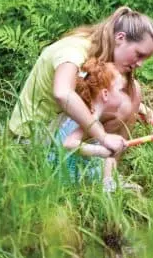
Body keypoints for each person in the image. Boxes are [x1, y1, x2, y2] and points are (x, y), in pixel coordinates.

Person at [9, 6, 153, 154]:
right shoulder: (73, 50)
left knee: (132, 91)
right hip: (32, 136)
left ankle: (109, 174)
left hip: (58, 125)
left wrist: (137, 106)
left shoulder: (100, 48)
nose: (140, 64)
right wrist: (103, 136)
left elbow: (91, 87)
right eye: (139, 54)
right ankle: (90, 167)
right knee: (123, 104)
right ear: (120, 37)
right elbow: (62, 93)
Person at [50, 58, 140, 192]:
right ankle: (107, 186)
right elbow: (68, 144)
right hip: (67, 178)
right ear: (105, 94)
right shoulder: (90, 120)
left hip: (69, 169)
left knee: (108, 159)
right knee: (107, 159)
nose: (123, 96)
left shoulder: (86, 113)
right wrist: (101, 151)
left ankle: (109, 183)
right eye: (120, 91)